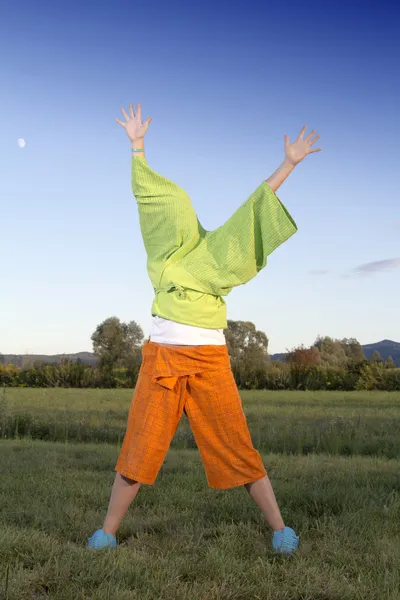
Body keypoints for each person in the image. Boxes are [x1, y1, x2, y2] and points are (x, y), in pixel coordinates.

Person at [88, 103, 321, 554]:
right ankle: (107, 533)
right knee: (139, 446)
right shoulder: (164, 260)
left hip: (210, 362)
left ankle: (280, 530)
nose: (172, 219)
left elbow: (251, 213)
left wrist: (288, 164)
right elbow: (150, 202)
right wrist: (137, 147)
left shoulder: (214, 252)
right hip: (162, 361)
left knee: (236, 444)